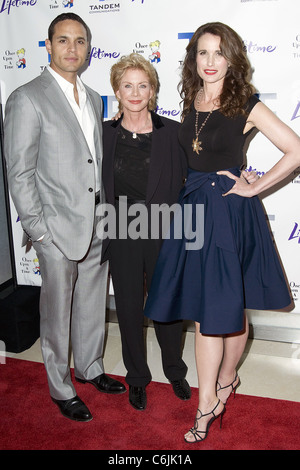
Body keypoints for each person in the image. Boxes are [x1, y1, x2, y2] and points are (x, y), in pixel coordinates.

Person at [144, 22, 300, 442]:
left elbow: (296, 148)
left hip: (228, 212)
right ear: (193, 58)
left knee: (224, 308)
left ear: (232, 59)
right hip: (193, 209)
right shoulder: (191, 98)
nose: (210, 62)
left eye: (218, 53)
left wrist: (254, 185)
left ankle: (214, 392)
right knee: (207, 309)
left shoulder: (244, 103)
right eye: (202, 53)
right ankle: (217, 389)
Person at [4, 13, 125, 422]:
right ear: (48, 45)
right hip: (54, 229)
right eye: (63, 40)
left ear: (88, 48)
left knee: (92, 302)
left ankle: (90, 368)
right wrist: (39, 231)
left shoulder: (93, 97)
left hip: (95, 222)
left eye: (79, 41)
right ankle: (60, 386)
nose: (72, 49)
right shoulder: (26, 97)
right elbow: (19, 173)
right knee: (55, 312)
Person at [100, 53, 191, 410]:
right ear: (117, 92)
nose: (135, 93)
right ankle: (137, 376)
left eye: (143, 85)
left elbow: (194, 175)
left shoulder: (172, 132)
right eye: (128, 86)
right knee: (127, 308)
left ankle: (175, 369)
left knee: (167, 304)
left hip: (163, 229)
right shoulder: (104, 134)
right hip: (120, 228)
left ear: (152, 90)